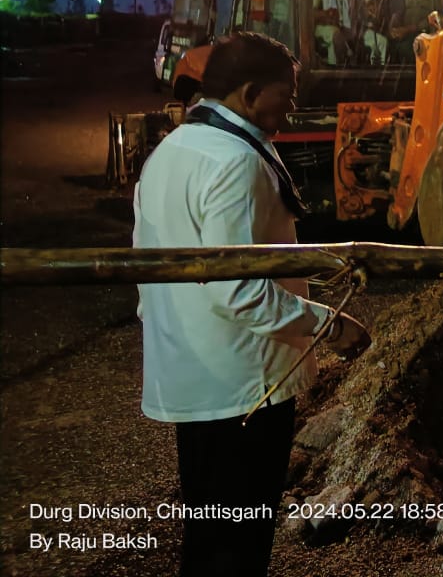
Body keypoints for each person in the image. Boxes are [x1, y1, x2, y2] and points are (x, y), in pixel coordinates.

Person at [133, 32, 370, 577]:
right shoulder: (235, 162)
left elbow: (146, 273)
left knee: (208, 534)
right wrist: (332, 328)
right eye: (284, 94)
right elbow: (240, 291)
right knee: (239, 546)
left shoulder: (171, 151)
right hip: (243, 388)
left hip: (194, 379)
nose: (291, 104)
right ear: (249, 93)